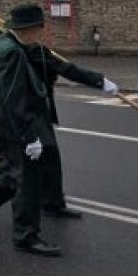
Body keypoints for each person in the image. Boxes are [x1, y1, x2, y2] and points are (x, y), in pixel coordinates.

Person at [0, 4, 66, 257]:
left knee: (15, 173)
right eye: (39, 28)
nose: (41, 33)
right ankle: (25, 236)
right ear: (31, 29)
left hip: (2, 123)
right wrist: (29, 136)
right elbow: (15, 98)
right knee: (28, 182)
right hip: (17, 124)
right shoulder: (13, 53)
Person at [28, 42, 115, 220]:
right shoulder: (29, 51)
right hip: (28, 114)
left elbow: (62, 68)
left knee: (41, 158)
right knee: (27, 162)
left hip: (35, 113)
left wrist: (100, 81)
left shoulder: (32, 48)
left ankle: (52, 201)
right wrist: (99, 81)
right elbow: (67, 69)